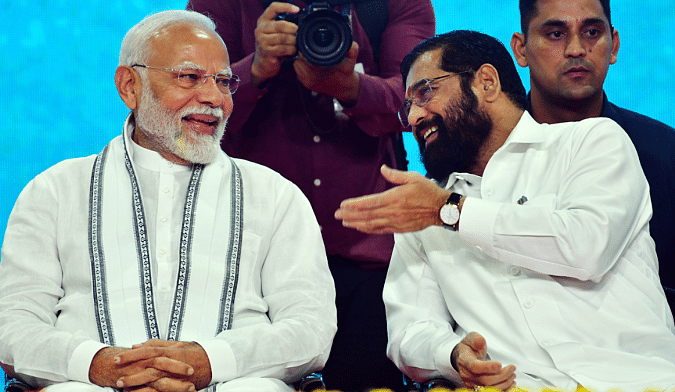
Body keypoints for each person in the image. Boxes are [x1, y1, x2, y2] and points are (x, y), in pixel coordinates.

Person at [0, 10, 337, 392]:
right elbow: (14, 325)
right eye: (189, 77)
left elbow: (311, 329)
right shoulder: (54, 191)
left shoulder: (275, 195)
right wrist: (100, 364)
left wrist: (208, 361)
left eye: (224, 82)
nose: (213, 98)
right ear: (129, 87)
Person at [335, 30, 675, 391]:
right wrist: (452, 354)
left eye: (425, 92)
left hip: (633, 379)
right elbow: (409, 330)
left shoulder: (590, 143)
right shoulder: (424, 208)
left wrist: (451, 212)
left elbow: (585, 247)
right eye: (409, 106)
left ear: (486, 82)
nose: (414, 116)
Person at [184, 0, 434, 390]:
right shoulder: (222, 4)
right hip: (250, 258)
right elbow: (190, 106)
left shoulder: (393, 4)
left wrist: (350, 88)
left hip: (366, 256)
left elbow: (417, 100)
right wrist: (253, 69)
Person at [509, 0, 675, 295]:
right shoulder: (485, 153)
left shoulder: (665, 153)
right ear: (521, 49)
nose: (576, 49)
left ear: (613, 46)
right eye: (556, 34)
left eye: (591, 32)